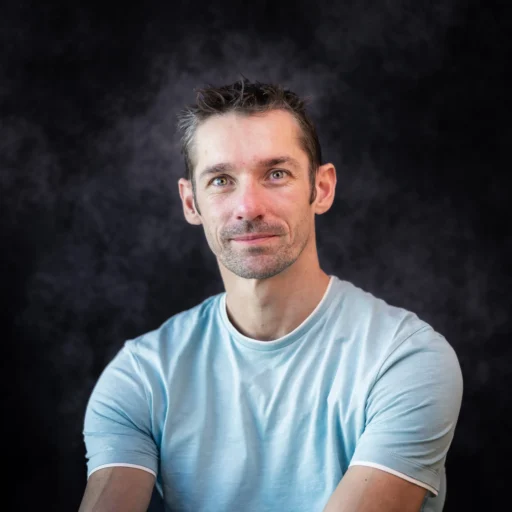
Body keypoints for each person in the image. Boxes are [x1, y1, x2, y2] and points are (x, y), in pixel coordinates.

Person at [79, 77, 463, 512]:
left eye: (276, 174)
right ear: (190, 202)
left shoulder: (405, 358)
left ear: (321, 188)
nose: (249, 207)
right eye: (221, 180)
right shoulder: (142, 376)